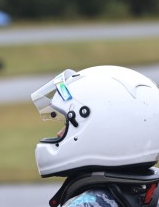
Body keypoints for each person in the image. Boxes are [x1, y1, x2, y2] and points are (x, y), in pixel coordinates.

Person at [30, 65, 159, 207]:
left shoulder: (89, 204)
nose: (59, 133)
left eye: (68, 124)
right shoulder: (149, 193)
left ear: (102, 126)